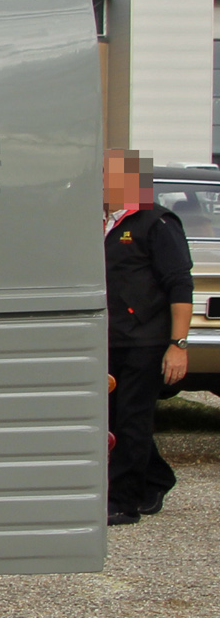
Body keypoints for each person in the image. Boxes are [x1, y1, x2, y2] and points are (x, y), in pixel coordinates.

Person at [104, 149, 193, 525]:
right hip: (110, 338)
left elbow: (179, 284)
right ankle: (156, 477)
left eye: (106, 174)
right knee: (114, 417)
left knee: (132, 419)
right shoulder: (106, 223)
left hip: (145, 339)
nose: (101, 182)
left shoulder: (156, 222)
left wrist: (178, 344)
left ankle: (123, 501)